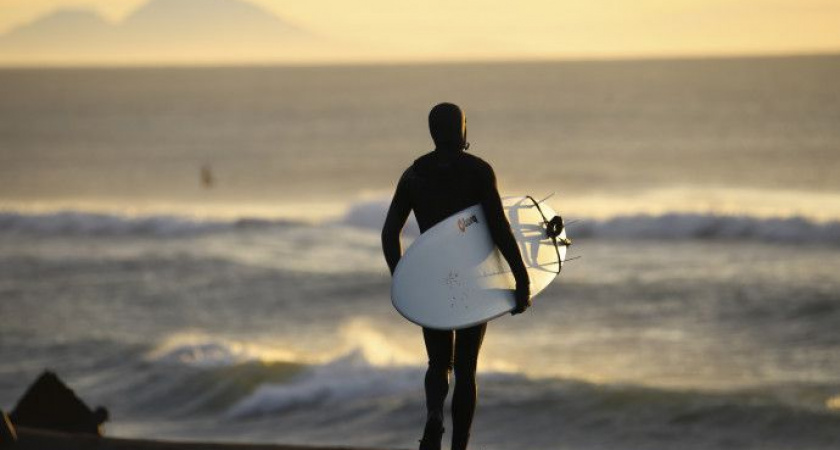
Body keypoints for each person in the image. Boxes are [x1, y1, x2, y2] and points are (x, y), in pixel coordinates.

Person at [381, 103, 531, 450]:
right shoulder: (478, 171)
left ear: (433, 132)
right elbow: (498, 228)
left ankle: (434, 415)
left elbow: (390, 233)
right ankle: (459, 446)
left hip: (432, 278)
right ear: (461, 129)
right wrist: (521, 279)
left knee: (438, 363)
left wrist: (402, 279)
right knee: (466, 369)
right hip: (472, 279)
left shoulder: (413, 175)